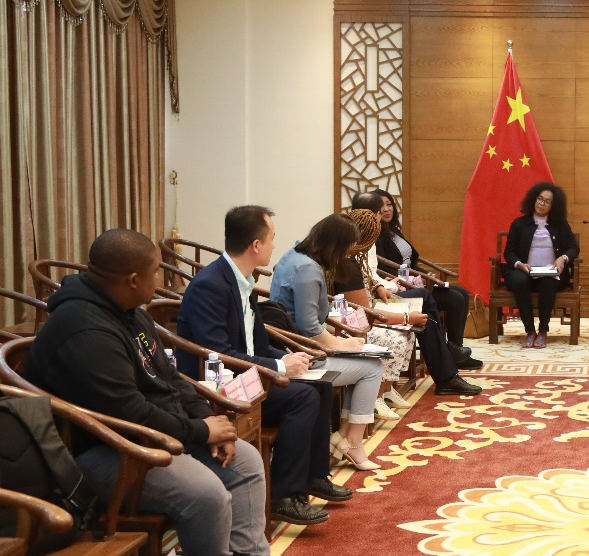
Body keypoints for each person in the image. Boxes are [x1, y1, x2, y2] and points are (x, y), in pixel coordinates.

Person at [24, 229, 270, 556]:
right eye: (156, 271)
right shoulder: (83, 329)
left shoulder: (131, 311)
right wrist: (200, 431)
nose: (160, 278)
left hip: (151, 434)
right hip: (103, 449)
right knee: (207, 495)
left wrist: (210, 421)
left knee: (247, 462)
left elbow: (171, 378)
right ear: (133, 279)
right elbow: (129, 413)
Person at [176, 205, 352, 525]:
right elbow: (217, 352)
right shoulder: (210, 285)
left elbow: (254, 345)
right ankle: (282, 495)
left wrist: (285, 358)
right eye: (271, 238)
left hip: (246, 374)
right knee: (303, 397)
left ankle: (313, 476)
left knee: (320, 385)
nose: (274, 245)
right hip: (217, 384)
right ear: (256, 245)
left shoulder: (241, 280)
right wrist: (279, 368)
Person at [269, 213, 389, 471]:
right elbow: (309, 327)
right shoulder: (308, 270)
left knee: (367, 363)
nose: (345, 255)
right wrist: (343, 344)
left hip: (292, 344)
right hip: (301, 353)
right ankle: (352, 441)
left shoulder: (294, 254)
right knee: (372, 368)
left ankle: (345, 437)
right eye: (345, 249)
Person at [335, 205, 481, 397]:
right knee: (424, 309)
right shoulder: (347, 263)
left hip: (376, 297)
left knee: (425, 299)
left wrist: (378, 286)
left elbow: (368, 275)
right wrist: (406, 318)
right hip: (361, 315)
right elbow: (366, 312)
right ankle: (446, 368)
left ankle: (446, 367)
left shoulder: (356, 255)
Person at [371, 189, 479, 368]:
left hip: (413, 281)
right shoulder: (376, 237)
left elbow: (410, 263)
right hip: (401, 288)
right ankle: (451, 353)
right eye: (381, 206)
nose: (386, 209)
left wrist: (426, 275)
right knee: (454, 299)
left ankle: (456, 349)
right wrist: (417, 278)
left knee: (461, 293)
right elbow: (384, 270)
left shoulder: (393, 230)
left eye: (389, 204)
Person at [502, 181, 579, 348]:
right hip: (523, 271)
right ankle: (530, 331)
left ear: (553, 206)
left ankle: (543, 331)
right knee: (519, 281)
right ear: (533, 199)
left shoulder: (560, 225)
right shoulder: (519, 224)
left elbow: (574, 248)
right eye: (540, 199)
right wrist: (519, 264)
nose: (542, 203)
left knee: (547, 283)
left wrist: (563, 258)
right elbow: (509, 252)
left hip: (550, 272)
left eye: (547, 201)